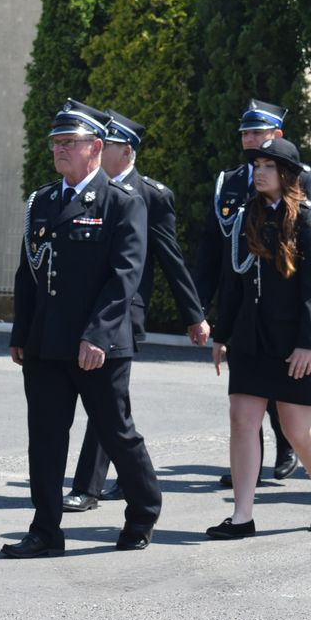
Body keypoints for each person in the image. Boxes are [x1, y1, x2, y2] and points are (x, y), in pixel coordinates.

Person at [3, 99, 161, 558]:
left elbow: (124, 277)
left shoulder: (122, 203)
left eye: (69, 142)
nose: (60, 150)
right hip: (46, 343)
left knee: (116, 432)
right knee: (46, 438)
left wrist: (97, 333)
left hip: (99, 345)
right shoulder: (44, 201)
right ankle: (46, 530)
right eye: (56, 142)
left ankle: (143, 511)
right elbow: (28, 272)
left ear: (96, 147)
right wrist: (20, 333)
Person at [62, 109, 208, 512]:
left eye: (103, 146)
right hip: (87, 312)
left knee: (106, 402)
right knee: (113, 404)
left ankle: (89, 487)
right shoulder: (84, 190)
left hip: (125, 311)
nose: (95, 151)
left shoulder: (150, 195)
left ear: (125, 151)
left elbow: (171, 259)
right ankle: (131, 476)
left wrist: (193, 315)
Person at [207, 137, 311, 538]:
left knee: (295, 429)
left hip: (293, 341)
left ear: (287, 174)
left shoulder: (309, 218)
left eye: (268, 165)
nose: (258, 172)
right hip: (250, 340)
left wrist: (308, 343)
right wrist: (221, 333)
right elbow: (233, 280)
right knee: (242, 420)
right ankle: (242, 515)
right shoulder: (247, 214)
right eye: (256, 165)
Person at [193, 99, 311, 486]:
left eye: (257, 134)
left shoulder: (304, 183)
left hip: (286, 314)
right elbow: (217, 253)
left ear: (276, 136)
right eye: (246, 134)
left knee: (289, 415)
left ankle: (291, 454)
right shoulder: (230, 182)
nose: (250, 141)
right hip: (249, 314)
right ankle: (247, 479)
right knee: (244, 412)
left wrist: (309, 338)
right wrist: (208, 313)